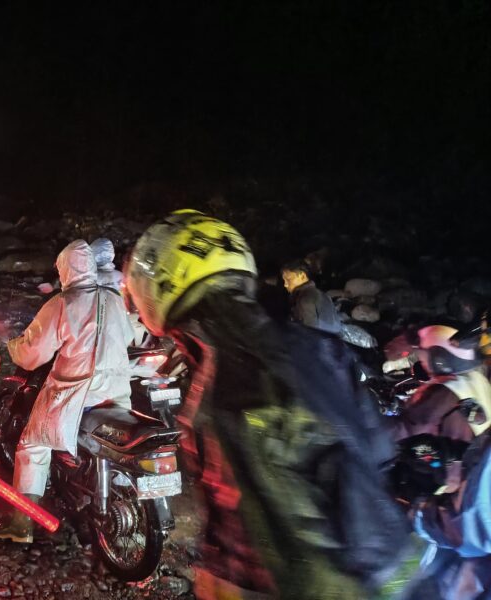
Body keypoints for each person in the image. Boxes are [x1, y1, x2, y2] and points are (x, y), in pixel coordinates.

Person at [124, 211, 409, 599]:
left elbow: (264, 541)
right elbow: (379, 448)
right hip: (400, 561)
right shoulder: (321, 348)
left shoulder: (224, 393)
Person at [0, 239, 135, 543]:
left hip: (76, 390)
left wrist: (12, 346)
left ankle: (22, 524)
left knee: (33, 444)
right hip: (118, 389)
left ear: (65, 269)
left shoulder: (64, 303)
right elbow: (129, 336)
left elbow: (32, 354)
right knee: (119, 446)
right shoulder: (112, 298)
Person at [391, 325, 491, 598]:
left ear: (438, 356)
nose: (420, 359)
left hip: (446, 487)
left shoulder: (443, 391)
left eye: (423, 354)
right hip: (467, 476)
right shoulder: (476, 379)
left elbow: (407, 427)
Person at [281, 258, 341, 334]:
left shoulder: (305, 298)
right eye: (284, 281)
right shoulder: (322, 294)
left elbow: (309, 333)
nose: (285, 284)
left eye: (288, 279)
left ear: (302, 276)